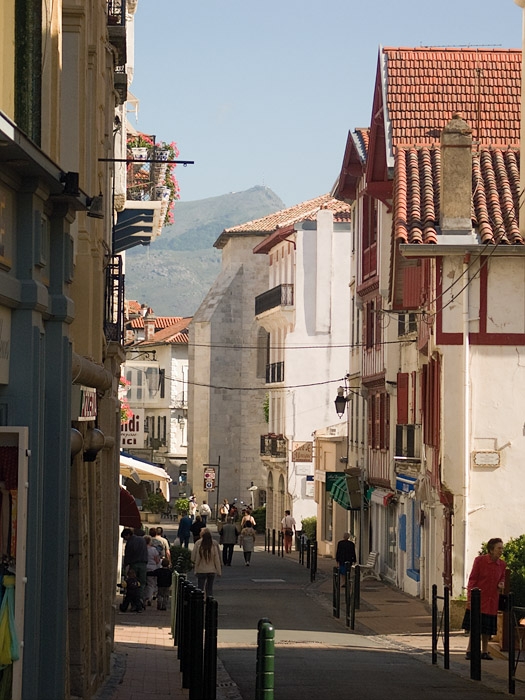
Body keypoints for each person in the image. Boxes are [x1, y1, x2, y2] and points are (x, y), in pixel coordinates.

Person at [462, 537, 506, 661]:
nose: (501, 551)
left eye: (502, 548)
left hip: (492, 599)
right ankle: (470, 650)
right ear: (491, 550)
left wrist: (501, 582)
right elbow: (473, 579)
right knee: (475, 626)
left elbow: (502, 576)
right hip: (479, 598)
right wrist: (471, 596)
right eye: (499, 548)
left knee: (487, 629)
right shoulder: (480, 561)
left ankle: (485, 651)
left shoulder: (502, 564)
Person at [191, 528, 222, 597]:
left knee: (200, 587)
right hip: (211, 570)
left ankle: (200, 600)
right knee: (209, 588)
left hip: (201, 570)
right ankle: (209, 600)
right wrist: (219, 571)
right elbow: (217, 560)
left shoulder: (200, 547)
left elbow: (197, 560)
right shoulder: (213, 547)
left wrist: (195, 570)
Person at [121, 528, 148, 603]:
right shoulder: (142, 540)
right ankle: (140, 599)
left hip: (134, 564)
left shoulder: (130, 542)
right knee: (142, 583)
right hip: (143, 563)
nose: (125, 540)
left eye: (125, 537)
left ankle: (134, 602)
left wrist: (125, 566)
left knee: (132, 583)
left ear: (128, 535)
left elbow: (128, 555)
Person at [144, 535, 161, 606]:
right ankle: (149, 598)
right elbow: (157, 560)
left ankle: (143, 598)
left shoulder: (142, 549)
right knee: (151, 585)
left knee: (143, 584)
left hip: (144, 568)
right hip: (152, 569)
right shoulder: (153, 550)